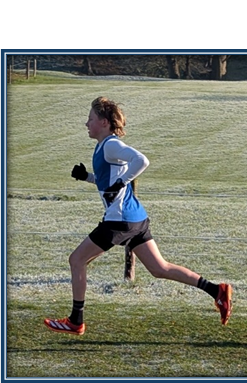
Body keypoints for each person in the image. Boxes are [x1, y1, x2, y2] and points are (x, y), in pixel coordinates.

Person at [43, 96, 233, 336]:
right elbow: (109, 182)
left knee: (77, 260)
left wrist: (123, 181)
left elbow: (141, 160)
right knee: (159, 268)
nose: (86, 123)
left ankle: (76, 320)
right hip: (135, 219)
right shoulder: (103, 147)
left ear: (103, 122)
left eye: (90, 119)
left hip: (119, 220)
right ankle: (217, 291)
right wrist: (88, 177)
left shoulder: (111, 145)